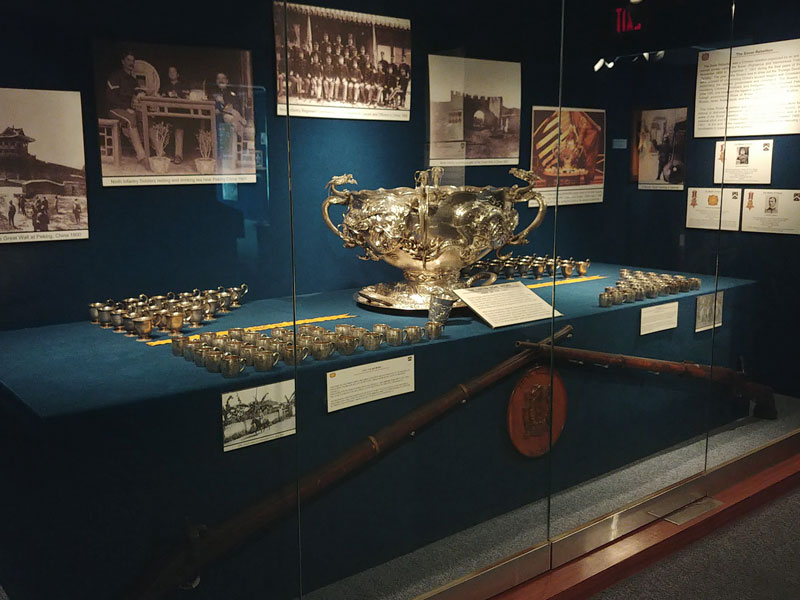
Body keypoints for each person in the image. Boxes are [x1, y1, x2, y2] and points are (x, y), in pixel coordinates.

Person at [106, 49, 148, 167]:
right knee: (130, 118)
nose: (131, 63)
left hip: (127, 110)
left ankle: (159, 152)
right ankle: (141, 156)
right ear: (123, 62)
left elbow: (138, 90)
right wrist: (125, 108)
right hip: (114, 109)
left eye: (133, 61)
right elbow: (110, 98)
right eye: (128, 60)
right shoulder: (115, 76)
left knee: (144, 116)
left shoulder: (132, 80)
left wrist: (141, 94)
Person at [159, 66, 187, 164]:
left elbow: (186, 98)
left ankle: (178, 155)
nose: (171, 73)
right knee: (164, 128)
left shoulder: (183, 86)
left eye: (174, 71)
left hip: (179, 113)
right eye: (170, 72)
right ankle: (166, 154)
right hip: (166, 114)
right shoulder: (165, 87)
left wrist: (178, 96)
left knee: (179, 127)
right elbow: (160, 98)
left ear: (178, 74)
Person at [211, 72, 246, 137]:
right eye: (218, 78)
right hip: (215, 119)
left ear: (227, 81)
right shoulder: (213, 93)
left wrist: (223, 102)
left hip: (229, 119)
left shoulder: (231, 94)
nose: (221, 80)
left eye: (223, 78)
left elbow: (234, 109)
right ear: (216, 81)